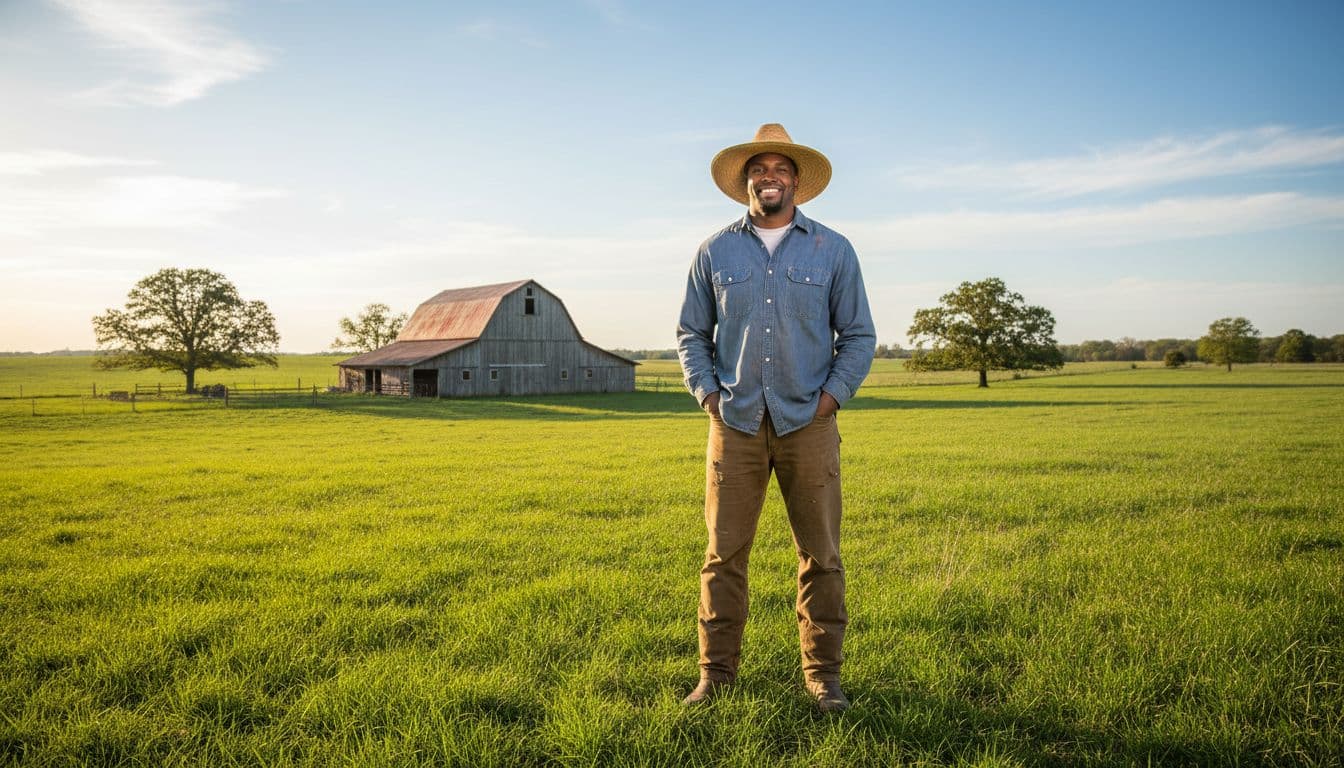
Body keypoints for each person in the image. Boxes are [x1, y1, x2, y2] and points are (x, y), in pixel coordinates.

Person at [676, 124, 876, 712]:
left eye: (780, 168)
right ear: (746, 181)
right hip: (733, 423)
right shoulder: (715, 251)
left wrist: (830, 398)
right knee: (723, 555)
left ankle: (824, 679)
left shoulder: (833, 249)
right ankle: (715, 676)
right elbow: (691, 332)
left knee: (822, 555)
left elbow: (859, 335)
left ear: (797, 181)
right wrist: (709, 395)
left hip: (808, 423)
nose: (769, 177)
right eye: (759, 169)